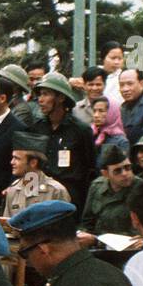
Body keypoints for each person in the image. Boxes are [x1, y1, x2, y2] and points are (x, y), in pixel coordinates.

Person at [33, 72, 96, 211]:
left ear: (61, 97)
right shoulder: (37, 128)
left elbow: (90, 169)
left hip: (70, 200)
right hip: (41, 197)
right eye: (40, 94)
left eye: (46, 94)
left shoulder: (81, 130)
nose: (40, 99)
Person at [78, 144, 141, 245]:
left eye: (127, 167)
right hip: (97, 247)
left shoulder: (142, 189)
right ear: (105, 174)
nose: (125, 173)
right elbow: (87, 222)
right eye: (117, 171)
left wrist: (96, 240)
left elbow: (139, 233)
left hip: (127, 248)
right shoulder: (96, 186)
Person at [0, 132, 70, 222]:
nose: (12, 162)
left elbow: (64, 229)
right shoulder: (13, 191)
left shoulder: (56, 191)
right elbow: (7, 227)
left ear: (33, 163)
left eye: (17, 158)